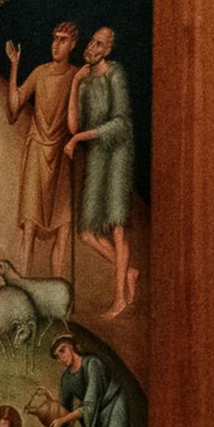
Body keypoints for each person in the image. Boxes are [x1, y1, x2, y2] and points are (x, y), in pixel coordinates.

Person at [2, 21, 81, 282]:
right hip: (36, 151)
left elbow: (78, 123)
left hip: (61, 157)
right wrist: (14, 66)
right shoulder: (39, 72)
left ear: (72, 45)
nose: (55, 45)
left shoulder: (76, 76)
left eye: (62, 40)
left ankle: (58, 291)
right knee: (29, 227)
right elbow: (14, 107)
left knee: (63, 228)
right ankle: (23, 285)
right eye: (54, 38)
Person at [68, 25, 136, 316]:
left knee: (116, 226)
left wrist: (80, 139)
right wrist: (75, 84)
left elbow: (121, 123)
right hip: (97, 154)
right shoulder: (84, 82)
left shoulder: (114, 75)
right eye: (91, 42)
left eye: (99, 44)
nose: (92, 47)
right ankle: (128, 270)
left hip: (118, 153)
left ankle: (119, 297)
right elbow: (74, 126)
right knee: (86, 232)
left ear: (107, 50)